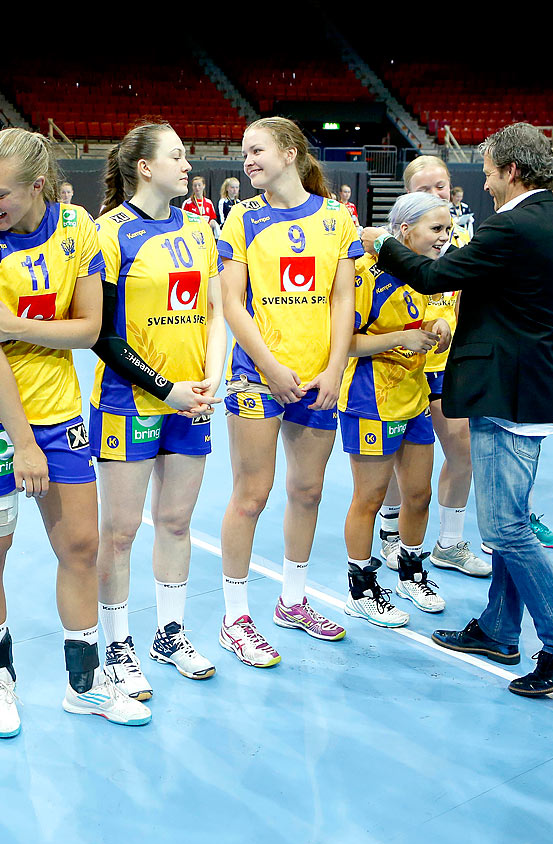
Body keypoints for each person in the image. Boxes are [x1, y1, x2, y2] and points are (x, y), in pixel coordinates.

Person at [361, 122, 553, 698]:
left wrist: (382, 243)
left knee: (505, 527)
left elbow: (432, 275)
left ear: (511, 172)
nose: (485, 177)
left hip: (509, 391)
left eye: (490, 168)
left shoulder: (513, 225)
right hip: (531, 382)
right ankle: (499, 628)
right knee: (512, 519)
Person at [0, 128, 150, 736]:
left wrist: (11, 322)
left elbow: (90, 330)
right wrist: (24, 442)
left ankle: (84, 684)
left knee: (81, 547)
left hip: (61, 416)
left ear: (37, 185)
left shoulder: (78, 228)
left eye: (0, 194)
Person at [91, 122, 225, 697]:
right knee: (119, 532)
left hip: (190, 400)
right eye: (177, 156)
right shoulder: (107, 233)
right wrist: (164, 387)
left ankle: (169, 632)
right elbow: (100, 333)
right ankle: (116, 643)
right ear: (144, 167)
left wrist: (211, 378)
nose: (187, 164)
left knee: (175, 522)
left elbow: (218, 311)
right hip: (130, 400)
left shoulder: (200, 230)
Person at [217, 116, 357, 666]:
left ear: (291, 151)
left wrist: (336, 367)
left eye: (256, 150)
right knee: (251, 495)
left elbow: (342, 299)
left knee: (308, 492)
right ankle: (235, 617)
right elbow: (232, 304)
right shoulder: (241, 221)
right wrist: (270, 366)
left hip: (319, 379)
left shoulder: (336, 218)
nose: (247, 159)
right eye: (244, 152)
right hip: (258, 378)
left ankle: (293, 601)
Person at [340, 192, 454, 628]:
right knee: (369, 498)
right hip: (370, 399)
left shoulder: (424, 275)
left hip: (413, 395)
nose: (444, 239)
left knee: (418, 494)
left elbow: (414, 323)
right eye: (436, 230)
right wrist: (398, 340)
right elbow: (343, 343)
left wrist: (434, 327)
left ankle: (410, 571)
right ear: (404, 231)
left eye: (447, 229)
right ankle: (360, 587)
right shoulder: (365, 275)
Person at [380, 154, 491, 577]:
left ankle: (449, 542)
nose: (435, 194)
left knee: (461, 453)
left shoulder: (463, 246)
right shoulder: (388, 252)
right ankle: (391, 536)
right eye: (424, 189)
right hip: (397, 366)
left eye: (441, 186)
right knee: (394, 460)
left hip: (447, 369)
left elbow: (466, 303)